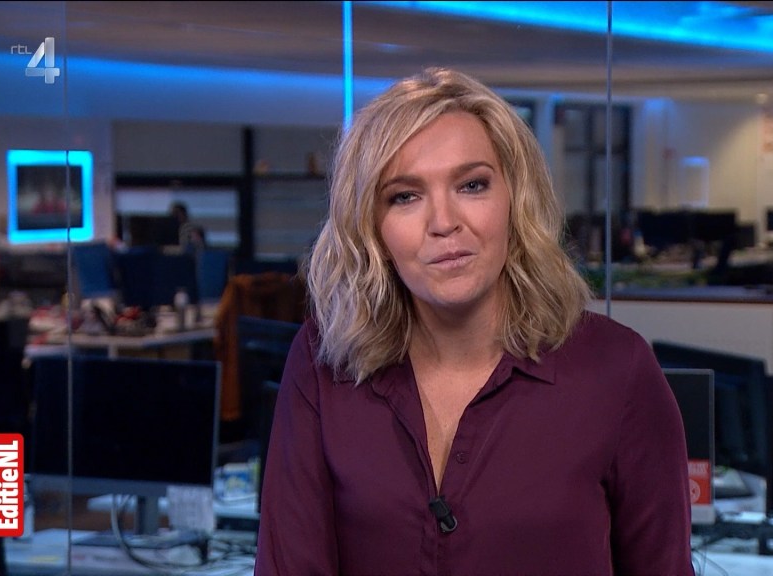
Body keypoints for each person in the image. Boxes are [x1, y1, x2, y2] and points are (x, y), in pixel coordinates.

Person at [255, 67, 693, 575]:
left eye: (471, 185)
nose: (444, 223)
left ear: (515, 200)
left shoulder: (617, 369)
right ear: (372, 227)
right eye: (405, 196)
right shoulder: (323, 361)